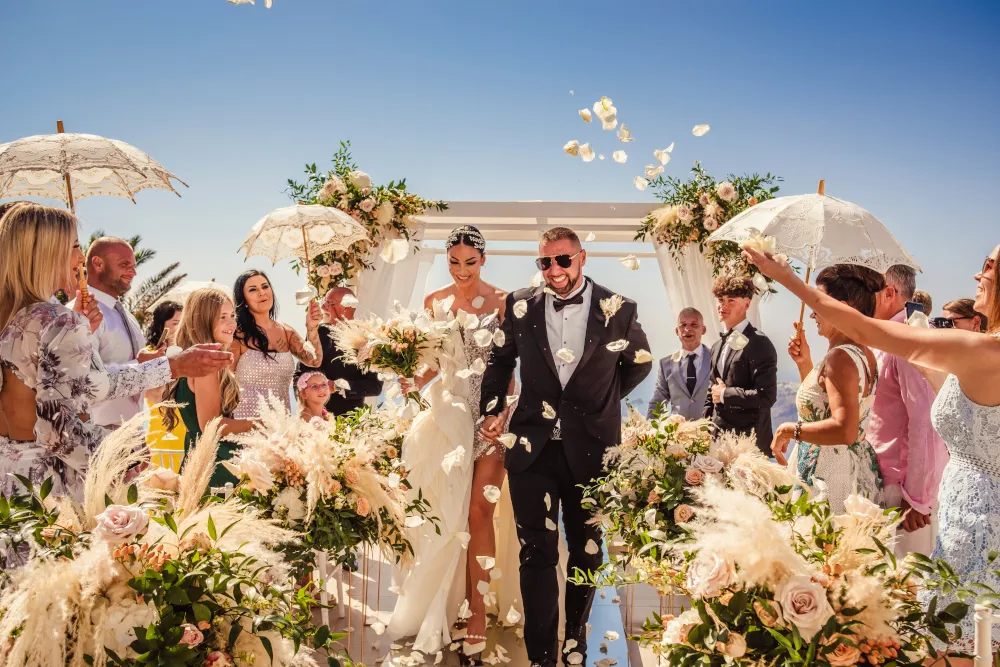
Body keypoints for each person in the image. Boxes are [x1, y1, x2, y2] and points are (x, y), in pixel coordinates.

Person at [744, 242, 1000, 656]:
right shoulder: (982, 347)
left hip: (981, 529)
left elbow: (867, 330)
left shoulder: (985, 351)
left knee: (963, 646)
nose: (977, 274)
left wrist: (786, 277)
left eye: (989, 265)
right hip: (962, 526)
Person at [479, 226, 651, 667]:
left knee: (585, 548)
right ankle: (541, 658)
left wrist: (598, 400)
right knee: (535, 551)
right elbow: (500, 360)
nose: (554, 269)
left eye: (562, 259)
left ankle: (575, 637)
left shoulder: (621, 308)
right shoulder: (519, 305)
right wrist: (492, 410)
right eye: (545, 261)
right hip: (531, 447)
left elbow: (638, 365)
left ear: (582, 257)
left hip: (592, 448)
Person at [0, 204, 232, 503]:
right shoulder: (57, 319)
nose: (80, 257)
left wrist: (168, 366)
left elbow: (82, 383)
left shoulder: (15, 317)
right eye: (73, 246)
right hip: (48, 486)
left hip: (9, 476)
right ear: (46, 251)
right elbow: (57, 430)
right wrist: (123, 455)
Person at [389, 225, 520, 660]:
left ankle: (477, 612)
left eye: (470, 262)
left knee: (479, 510)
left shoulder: (505, 302)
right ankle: (448, 604)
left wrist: (501, 414)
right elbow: (433, 364)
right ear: (447, 260)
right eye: (453, 262)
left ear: (483, 259)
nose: (462, 271)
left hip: (491, 421)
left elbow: (511, 366)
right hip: (447, 419)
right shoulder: (433, 302)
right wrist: (408, 377)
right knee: (447, 515)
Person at [771, 265, 885, 513]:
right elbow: (823, 405)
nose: (812, 314)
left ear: (839, 307)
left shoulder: (840, 358)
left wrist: (789, 429)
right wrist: (805, 364)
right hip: (851, 468)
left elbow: (844, 430)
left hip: (828, 476)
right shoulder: (864, 354)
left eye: (818, 303)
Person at [867, 265, 949, 557]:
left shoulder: (909, 340)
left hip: (901, 491)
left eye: (869, 291)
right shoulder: (889, 338)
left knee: (908, 589)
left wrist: (917, 497)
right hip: (882, 482)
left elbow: (927, 422)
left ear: (889, 293)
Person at [163, 288, 254, 488]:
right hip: (216, 463)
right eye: (222, 317)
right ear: (203, 320)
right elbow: (211, 425)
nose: (232, 324)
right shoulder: (207, 367)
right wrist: (257, 425)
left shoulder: (190, 361)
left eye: (232, 316)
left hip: (198, 457)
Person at [71, 236, 145, 427]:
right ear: (97, 263)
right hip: (98, 437)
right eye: (124, 264)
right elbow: (82, 380)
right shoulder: (81, 313)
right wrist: (143, 366)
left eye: (133, 265)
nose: (133, 272)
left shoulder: (126, 315)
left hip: (131, 436)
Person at [231, 270, 323, 419]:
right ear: (244, 299)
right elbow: (225, 382)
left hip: (281, 424)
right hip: (245, 422)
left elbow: (314, 360)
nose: (262, 293)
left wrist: (312, 326)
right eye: (253, 290)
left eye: (265, 286)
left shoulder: (286, 331)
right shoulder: (238, 335)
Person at [703, 275, 778, 457]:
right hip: (719, 442)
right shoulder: (716, 346)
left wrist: (724, 394)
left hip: (749, 446)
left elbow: (766, 396)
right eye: (720, 300)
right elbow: (710, 392)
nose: (723, 306)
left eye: (731, 300)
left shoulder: (759, 342)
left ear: (747, 303)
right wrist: (703, 429)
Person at [293, 287, 382, 416]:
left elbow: (375, 386)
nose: (323, 307)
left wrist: (339, 386)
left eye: (329, 303)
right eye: (324, 301)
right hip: (313, 418)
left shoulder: (367, 338)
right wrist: (304, 394)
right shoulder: (317, 332)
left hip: (349, 419)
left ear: (346, 307)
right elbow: (301, 372)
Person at [647, 307, 711, 420]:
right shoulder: (665, 364)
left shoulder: (715, 358)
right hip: (678, 433)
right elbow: (658, 401)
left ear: (703, 329)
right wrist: (648, 430)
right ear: (677, 331)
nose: (687, 329)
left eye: (694, 325)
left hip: (712, 432)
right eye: (683, 325)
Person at [143, 301, 186, 459]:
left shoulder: (188, 355)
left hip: (185, 427)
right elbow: (153, 396)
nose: (181, 327)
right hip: (161, 427)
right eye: (176, 323)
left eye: (183, 322)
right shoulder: (149, 354)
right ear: (162, 326)